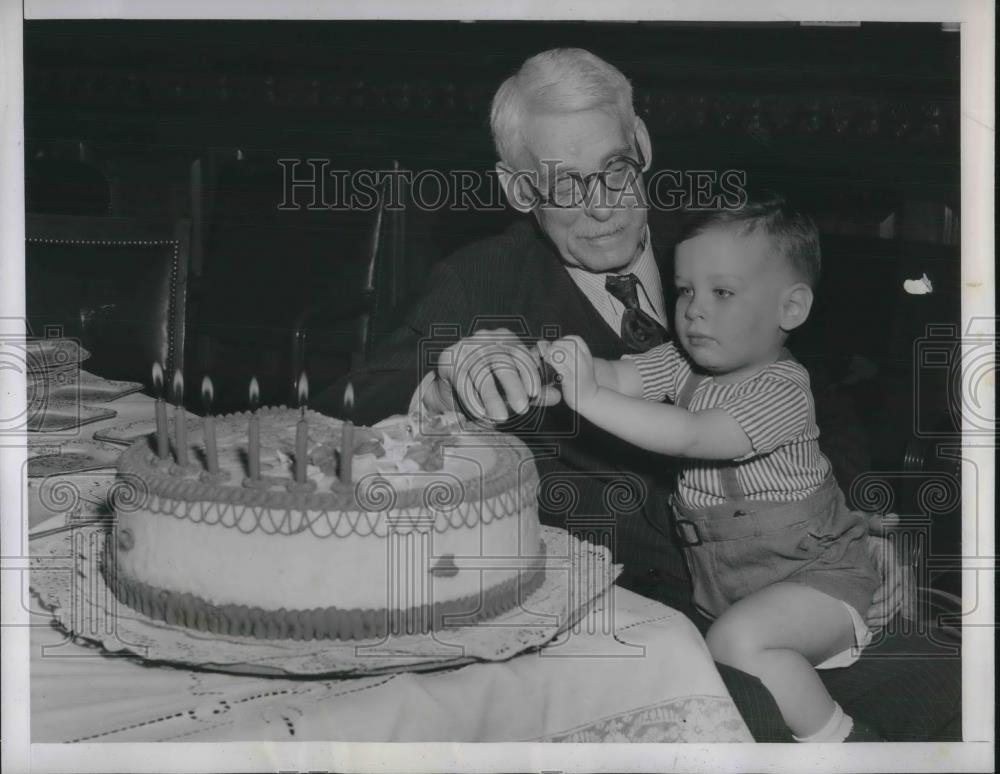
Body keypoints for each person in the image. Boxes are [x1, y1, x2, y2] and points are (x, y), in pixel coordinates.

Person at [315, 47, 960, 742]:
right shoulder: (481, 281)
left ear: (643, 144)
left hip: (801, 581)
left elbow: (820, 400)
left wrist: (865, 527)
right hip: (639, 631)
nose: (601, 209)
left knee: (960, 705)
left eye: (616, 170)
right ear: (519, 189)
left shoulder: (720, 239)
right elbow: (340, 411)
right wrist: (442, 387)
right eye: (563, 185)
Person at [537, 193, 883, 742]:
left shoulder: (782, 391)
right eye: (685, 290)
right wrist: (557, 367)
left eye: (722, 292)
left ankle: (844, 746)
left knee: (736, 643)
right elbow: (618, 376)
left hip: (821, 584)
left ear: (791, 309)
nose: (695, 309)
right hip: (730, 590)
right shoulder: (681, 364)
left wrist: (588, 399)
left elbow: (690, 435)